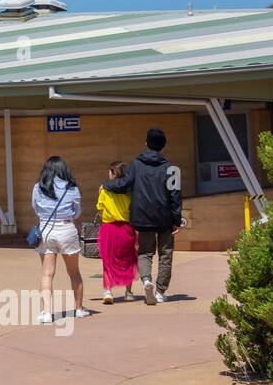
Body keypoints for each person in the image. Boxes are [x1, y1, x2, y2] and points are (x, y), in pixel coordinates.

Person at [104, 127, 184, 305]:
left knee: (145, 252)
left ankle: (146, 280)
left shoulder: (136, 164)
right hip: (165, 218)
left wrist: (107, 184)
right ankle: (160, 292)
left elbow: (124, 185)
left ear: (146, 143)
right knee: (165, 254)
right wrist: (177, 220)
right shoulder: (172, 169)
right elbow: (176, 196)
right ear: (163, 146)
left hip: (142, 217)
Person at [32, 156, 87, 324]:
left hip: (46, 230)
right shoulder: (72, 188)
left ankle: (47, 312)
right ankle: (78, 309)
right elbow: (77, 212)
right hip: (66, 229)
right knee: (74, 272)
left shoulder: (38, 187)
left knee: (47, 274)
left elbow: (35, 208)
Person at [96, 161, 138, 304]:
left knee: (108, 260)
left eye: (109, 172)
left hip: (109, 228)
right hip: (127, 228)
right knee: (129, 259)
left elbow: (100, 209)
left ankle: (108, 291)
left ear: (114, 173)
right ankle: (128, 292)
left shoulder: (104, 189)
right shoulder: (130, 190)